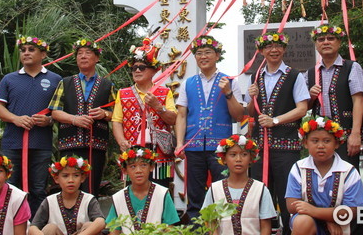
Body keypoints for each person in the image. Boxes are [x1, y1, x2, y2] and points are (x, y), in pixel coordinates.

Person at [174, 35, 244, 220]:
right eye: (199, 53)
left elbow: (239, 115)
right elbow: (181, 115)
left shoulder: (229, 81)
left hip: (221, 147)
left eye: (208, 52)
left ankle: (225, 227)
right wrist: (179, 143)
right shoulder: (187, 83)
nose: (203, 57)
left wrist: (228, 93)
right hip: (193, 146)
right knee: (194, 193)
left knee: (222, 189)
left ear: (217, 55)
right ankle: (197, 229)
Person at [246, 31, 309, 235]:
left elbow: (302, 108)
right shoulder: (257, 76)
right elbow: (250, 113)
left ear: (284, 49)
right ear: (262, 51)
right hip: (259, 149)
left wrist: (275, 120)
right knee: (259, 195)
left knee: (287, 196)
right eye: (269, 47)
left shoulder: (293, 75)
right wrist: (250, 98)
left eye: (278, 46)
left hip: (286, 147)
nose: (274, 50)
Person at [0, 35, 61, 215]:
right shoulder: (9, 79)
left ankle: (36, 228)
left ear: (43, 54)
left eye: (31, 50)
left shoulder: (56, 79)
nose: (26, 53)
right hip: (12, 144)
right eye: (23, 50)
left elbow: (60, 111)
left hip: (41, 143)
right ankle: (9, 226)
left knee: (39, 189)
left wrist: (49, 120)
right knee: (10, 188)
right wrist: (15, 118)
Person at [49, 38, 115, 194]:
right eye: (79, 53)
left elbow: (117, 114)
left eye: (88, 53)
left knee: (92, 187)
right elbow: (55, 111)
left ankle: (91, 218)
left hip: (96, 145)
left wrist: (104, 114)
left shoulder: (107, 85)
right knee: (69, 186)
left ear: (97, 58)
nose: (83, 56)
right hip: (69, 144)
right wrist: (74, 119)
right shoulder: (65, 82)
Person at [285, 116, 363, 235]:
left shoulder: (348, 171)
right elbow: (292, 205)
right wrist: (327, 219)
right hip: (309, 223)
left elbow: (353, 211)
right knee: (302, 221)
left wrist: (315, 211)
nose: (320, 146)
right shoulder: (299, 168)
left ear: (337, 144)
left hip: (340, 226)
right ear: (305, 143)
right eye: (315, 140)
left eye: (327, 141)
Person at [112, 38, 176, 188]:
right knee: (133, 197)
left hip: (159, 156)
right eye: (134, 68)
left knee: (159, 195)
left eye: (142, 67)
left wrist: (158, 106)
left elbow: (173, 119)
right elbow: (116, 121)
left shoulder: (164, 92)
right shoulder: (123, 93)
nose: (138, 71)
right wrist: (121, 142)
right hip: (133, 155)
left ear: (154, 70)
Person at [306, 24, 363, 169]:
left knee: (346, 174)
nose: (326, 42)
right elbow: (305, 107)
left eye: (331, 38)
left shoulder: (352, 67)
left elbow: (358, 101)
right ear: (316, 45)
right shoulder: (311, 72)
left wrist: (356, 134)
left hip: (345, 135)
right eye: (321, 40)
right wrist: (311, 97)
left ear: (339, 42)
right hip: (320, 137)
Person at [202, 134, 276, 235]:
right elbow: (210, 223)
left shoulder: (260, 189)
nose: (238, 159)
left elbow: (265, 226)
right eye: (233, 155)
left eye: (244, 154)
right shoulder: (215, 189)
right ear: (224, 159)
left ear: (251, 158)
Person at [106, 146, 179, 234]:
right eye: (133, 166)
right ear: (125, 171)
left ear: (151, 167)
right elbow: (114, 231)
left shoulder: (162, 194)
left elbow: (169, 229)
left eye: (143, 165)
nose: (138, 171)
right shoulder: (118, 198)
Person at [29, 156, 105, 235]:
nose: (71, 180)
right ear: (56, 179)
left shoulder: (88, 199)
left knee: (89, 225)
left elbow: (100, 221)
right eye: (65, 176)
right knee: (50, 228)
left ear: (82, 178)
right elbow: (33, 227)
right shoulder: (50, 201)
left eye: (76, 175)